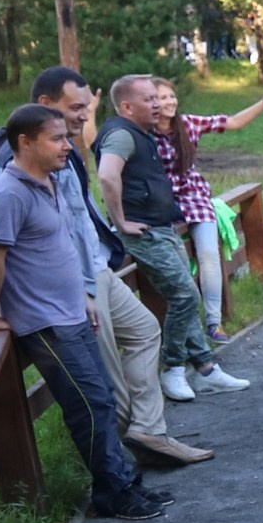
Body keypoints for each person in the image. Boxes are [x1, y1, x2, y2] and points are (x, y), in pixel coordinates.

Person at [0, 105, 165, 521]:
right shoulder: (7, 195)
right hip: (45, 323)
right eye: (57, 138)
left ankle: (121, 481)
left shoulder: (50, 183)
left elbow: (55, 250)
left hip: (73, 311)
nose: (68, 145)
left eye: (67, 136)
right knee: (92, 405)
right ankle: (111, 493)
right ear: (25, 143)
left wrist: (83, 295)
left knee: (102, 398)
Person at [20, 68, 207, 469]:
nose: (85, 115)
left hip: (99, 267)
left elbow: (78, 217)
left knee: (143, 329)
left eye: (87, 106)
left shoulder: (64, 149)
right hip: (77, 283)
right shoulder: (24, 162)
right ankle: (131, 455)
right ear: (44, 106)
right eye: (76, 108)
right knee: (108, 381)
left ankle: (148, 432)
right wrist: (89, 279)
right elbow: (37, 239)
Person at [94, 74, 250, 403]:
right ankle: (173, 367)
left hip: (162, 226)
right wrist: (121, 221)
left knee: (186, 293)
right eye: (149, 100)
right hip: (145, 232)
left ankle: (206, 369)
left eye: (158, 97)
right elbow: (107, 175)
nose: (158, 104)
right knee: (183, 296)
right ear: (126, 106)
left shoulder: (141, 132)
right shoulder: (122, 134)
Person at [158, 80, 263, 343]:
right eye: (161, 98)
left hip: (194, 199)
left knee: (209, 255)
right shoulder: (141, 133)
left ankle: (213, 321)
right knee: (176, 265)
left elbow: (232, 123)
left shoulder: (187, 124)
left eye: (171, 96)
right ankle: (183, 328)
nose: (169, 102)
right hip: (163, 204)